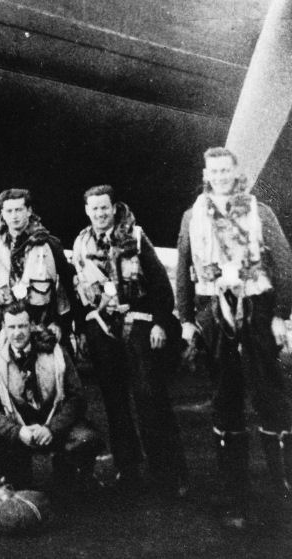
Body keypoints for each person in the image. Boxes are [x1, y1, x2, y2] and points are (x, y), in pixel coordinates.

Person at [176, 146, 292, 528]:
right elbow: (182, 271)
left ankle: (283, 487)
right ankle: (234, 496)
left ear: (236, 172)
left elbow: (286, 263)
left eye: (227, 170)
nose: (221, 176)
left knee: (271, 395)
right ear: (206, 174)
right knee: (225, 400)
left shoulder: (260, 211)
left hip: (257, 311)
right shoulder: (192, 216)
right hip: (214, 313)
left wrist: (280, 315)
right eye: (214, 171)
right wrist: (188, 320)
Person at [72, 185, 187, 496]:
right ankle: (128, 469)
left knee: (150, 396)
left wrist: (162, 322)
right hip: (101, 329)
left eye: (104, 207)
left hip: (138, 324)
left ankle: (169, 472)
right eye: (94, 208)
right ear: (87, 210)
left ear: (114, 207)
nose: (100, 213)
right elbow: (78, 293)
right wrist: (82, 330)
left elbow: (162, 285)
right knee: (114, 401)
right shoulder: (81, 244)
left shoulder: (134, 237)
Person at [0, 301, 103, 491]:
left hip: (53, 426)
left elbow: (77, 397)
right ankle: (13, 469)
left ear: (32, 326)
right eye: (11, 327)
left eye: (22, 326)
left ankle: (65, 469)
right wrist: (16, 431)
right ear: (3, 328)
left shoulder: (56, 351)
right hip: (17, 431)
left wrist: (52, 428)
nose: (17, 332)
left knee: (87, 438)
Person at [0, 188, 75, 356]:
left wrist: (60, 325)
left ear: (29, 211)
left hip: (44, 330)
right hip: (10, 333)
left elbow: (69, 288)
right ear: (3, 214)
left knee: (62, 372)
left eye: (19, 209)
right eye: (9, 211)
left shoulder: (50, 245)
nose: (14, 216)